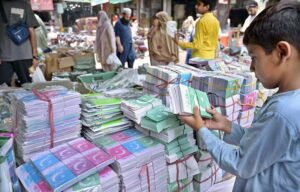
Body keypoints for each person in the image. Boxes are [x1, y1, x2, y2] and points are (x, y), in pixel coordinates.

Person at [181, 1, 300, 191]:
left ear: (282, 52)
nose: (251, 68)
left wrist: (202, 130)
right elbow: (262, 145)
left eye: (254, 58)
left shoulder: (282, 113)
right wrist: (228, 126)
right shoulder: (290, 100)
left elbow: (241, 163)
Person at [0, 0, 39, 86]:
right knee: (27, 86)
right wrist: (35, 56)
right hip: (14, 57)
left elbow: (31, 30)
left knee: (3, 89)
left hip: (14, 56)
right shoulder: (25, 4)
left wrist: (35, 56)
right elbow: (31, 31)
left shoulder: (25, 4)